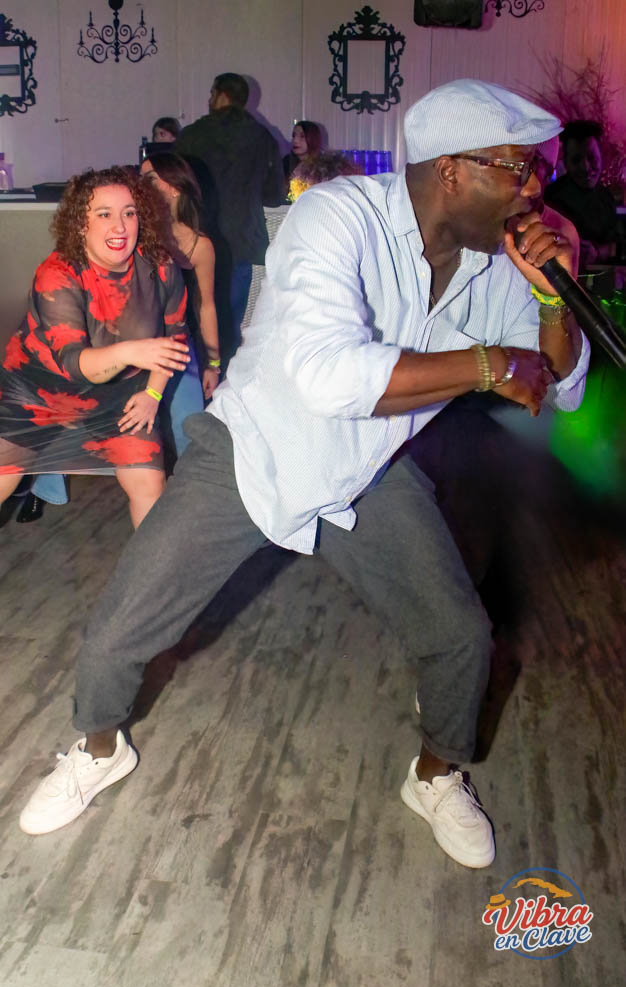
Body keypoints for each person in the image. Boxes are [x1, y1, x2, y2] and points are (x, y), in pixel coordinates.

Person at [19, 80, 589, 869]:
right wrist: (488, 364)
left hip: (367, 466)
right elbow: (328, 377)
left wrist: (552, 299)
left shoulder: (496, 265)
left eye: (539, 171)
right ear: (453, 171)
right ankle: (98, 749)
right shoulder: (338, 217)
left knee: (460, 635)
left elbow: (560, 386)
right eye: (518, 169)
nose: (534, 193)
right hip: (258, 446)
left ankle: (434, 774)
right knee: (124, 625)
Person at [0, 166, 190, 528]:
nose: (120, 227)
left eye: (129, 213)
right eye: (104, 214)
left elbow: (175, 337)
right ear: (80, 224)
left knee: (150, 486)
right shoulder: (58, 274)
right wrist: (131, 351)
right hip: (37, 395)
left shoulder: (160, 267)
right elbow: (74, 364)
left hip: (120, 396)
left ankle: (154, 566)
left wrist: (153, 393)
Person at [175, 72, 285, 359]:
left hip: (197, 238)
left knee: (192, 322)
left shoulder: (193, 135)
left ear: (221, 95)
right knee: (230, 328)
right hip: (240, 242)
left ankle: (199, 379)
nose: (209, 99)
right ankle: (223, 380)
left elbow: (174, 185)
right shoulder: (262, 138)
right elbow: (275, 194)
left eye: (212, 93)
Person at [140, 152, 222, 452]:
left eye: (150, 178)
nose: (142, 185)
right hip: (136, 340)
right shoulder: (136, 232)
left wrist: (213, 364)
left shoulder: (201, 245)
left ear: (175, 186)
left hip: (177, 343)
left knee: (189, 428)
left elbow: (206, 306)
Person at [544, 120, 618, 270]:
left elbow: (615, 245)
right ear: (565, 162)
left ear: (601, 157)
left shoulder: (607, 197)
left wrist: (596, 252)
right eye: (576, 160)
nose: (585, 167)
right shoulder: (551, 198)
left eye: (592, 157)